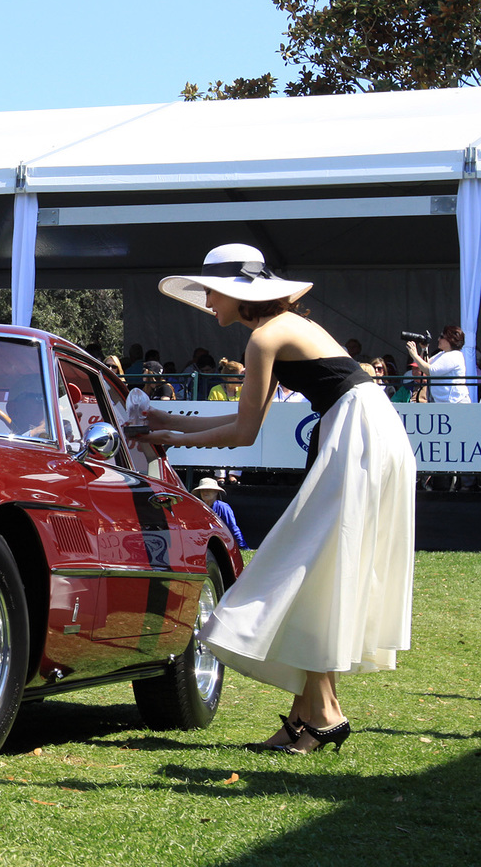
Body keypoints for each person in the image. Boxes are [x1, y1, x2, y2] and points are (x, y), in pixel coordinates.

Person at [144, 243, 414, 755]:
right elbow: (245, 423)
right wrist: (168, 423)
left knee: (302, 568)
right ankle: (308, 719)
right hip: (366, 432)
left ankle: (323, 712)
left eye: (211, 291)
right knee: (314, 572)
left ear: (236, 293)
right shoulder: (278, 330)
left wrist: (169, 439)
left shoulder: (265, 338)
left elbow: (244, 432)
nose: (206, 300)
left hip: (357, 437)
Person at [405, 326, 471, 404]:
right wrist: (424, 349)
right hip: (444, 402)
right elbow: (425, 365)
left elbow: (431, 371)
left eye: (442, 337)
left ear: (451, 339)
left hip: (456, 402)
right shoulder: (442, 354)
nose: (438, 339)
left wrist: (414, 355)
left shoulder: (454, 355)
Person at [192, 476, 247, 550]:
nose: (205, 492)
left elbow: (232, 527)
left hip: (222, 544)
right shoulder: (199, 508)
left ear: (216, 492)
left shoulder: (223, 507)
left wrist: (243, 547)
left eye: (208, 490)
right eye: (202, 490)